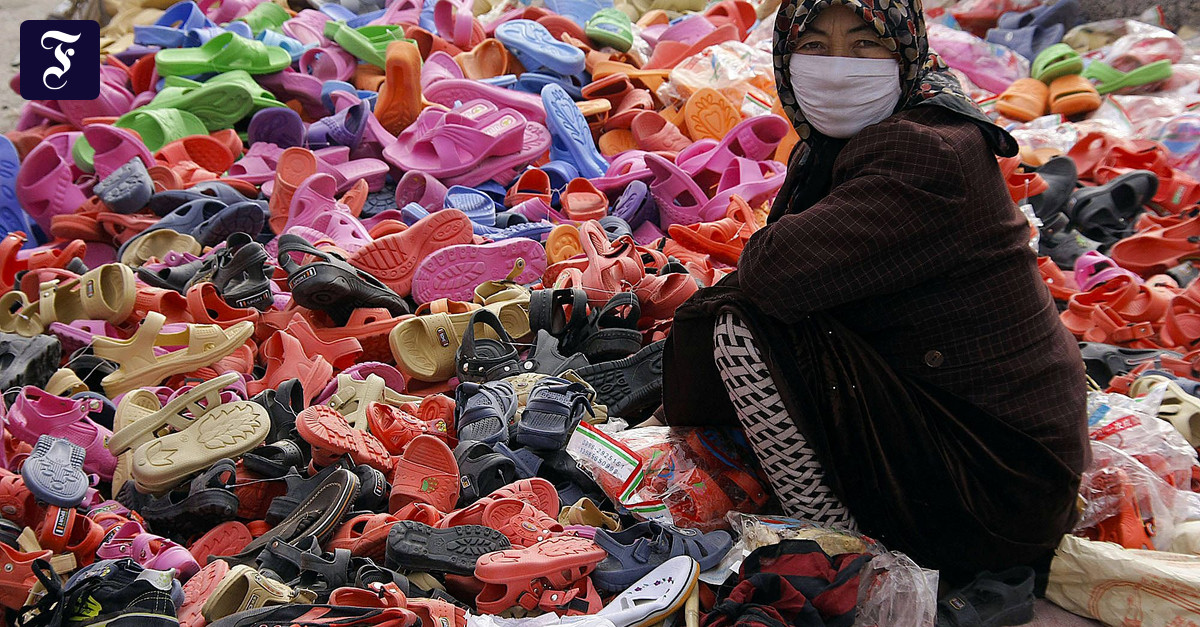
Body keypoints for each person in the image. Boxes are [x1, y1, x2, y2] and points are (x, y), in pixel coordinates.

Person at [661, 0, 1090, 585]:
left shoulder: (924, 153)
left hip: (995, 494)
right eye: (815, 46)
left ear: (905, 54)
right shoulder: (894, 127)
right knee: (755, 308)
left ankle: (836, 543)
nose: (838, 69)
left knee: (743, 323)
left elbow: (773, 271)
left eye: (865, 45)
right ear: (786, 58)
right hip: (1002, 457)